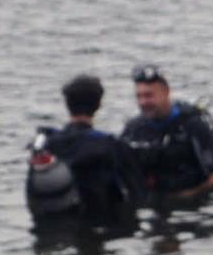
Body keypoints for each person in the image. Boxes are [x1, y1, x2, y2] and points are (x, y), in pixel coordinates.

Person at [35, 74, 137, 231]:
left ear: (67, 104)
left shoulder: (47, 144)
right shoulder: (111, 145)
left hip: (55, 227)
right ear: (98, 105)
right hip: (99, 224)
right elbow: (134, 190)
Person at [120, 64, 213, 202]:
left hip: (191, 202)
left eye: (149, 96)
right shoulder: (134, 128)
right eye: (139, 96)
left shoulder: (193, 125)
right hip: (152, 200)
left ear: (166, 92)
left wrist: (186, 196)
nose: (143, 102)